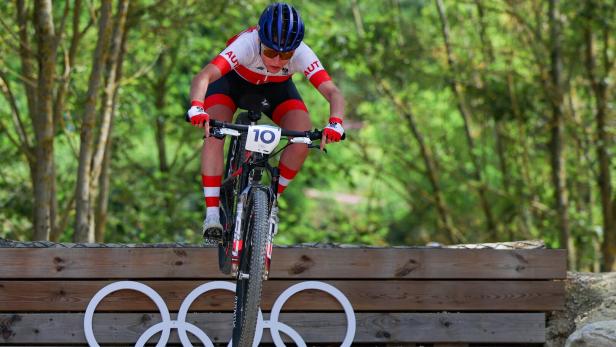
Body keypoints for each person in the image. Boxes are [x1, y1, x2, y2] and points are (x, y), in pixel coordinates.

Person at [186, 2, 345, 239]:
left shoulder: (302, 53)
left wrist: (335, 123)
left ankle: (271, 204)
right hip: (231, 85)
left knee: (301, 138)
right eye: (271, 52)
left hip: (276, 91)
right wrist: (197, 108)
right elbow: (204, 76)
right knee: (214, 133)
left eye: (287, 54)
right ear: (261, 40)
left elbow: (333, 92)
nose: (279, 61)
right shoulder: (247, 43)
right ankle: (211, 213)